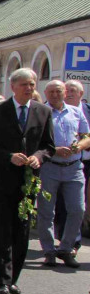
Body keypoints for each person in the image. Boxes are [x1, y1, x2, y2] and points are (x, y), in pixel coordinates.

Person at [0, 68, 55, 294]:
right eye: (24, 84)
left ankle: (14, 279)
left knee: (21, 231)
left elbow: (48, 146)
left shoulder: (43, 111)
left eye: (32, 84)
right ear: (12, 87)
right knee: (3, 230)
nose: (29, 88)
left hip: (27, 182)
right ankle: (2, 281)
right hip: (3, 179)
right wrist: (8, 156)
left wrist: (38, 157)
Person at [37, 80, 89, 268]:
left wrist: (79, 146)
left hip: (74, 167)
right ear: (45, 93)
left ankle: (66, 248)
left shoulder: (75, 111)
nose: (55, 95)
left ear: (64, 92)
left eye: (58, 91)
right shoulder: (41, 112)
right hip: (50, 166)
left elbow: (86, 135)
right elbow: (33, 141)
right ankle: (49, 250)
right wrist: (54, 149)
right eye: (50, 92)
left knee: (77, 209)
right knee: (46, 211)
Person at [58, 80, 90, 252]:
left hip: (85, 161)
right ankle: (64, 237)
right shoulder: (54, 111)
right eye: (66, 90)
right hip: (61, 162)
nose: (69, 93)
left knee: (78, 204)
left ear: (81, 94)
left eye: (73, 90)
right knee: (62, 203)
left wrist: (82, 144)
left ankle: (73, 241)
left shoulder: (87, 111)